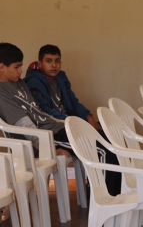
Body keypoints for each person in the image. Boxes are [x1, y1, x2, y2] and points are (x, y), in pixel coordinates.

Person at [0, 43, 121, 196]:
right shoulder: (2, 91)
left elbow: (40, 112)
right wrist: (49, 147)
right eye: (16, 67)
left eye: (21, 66)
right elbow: (25, 125)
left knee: (111, 141)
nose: (20, 71)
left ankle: (117, 197)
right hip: (47, 136)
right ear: (1, 67)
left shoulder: (19, 83)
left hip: (56, 128)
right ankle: (105, 201)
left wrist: (71, 123)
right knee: (104, 149)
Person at [24, 45, 102, 130]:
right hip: (53, 125)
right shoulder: (34, 81)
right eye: (49, 61)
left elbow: (73, 101)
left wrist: (89, 117)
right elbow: (42, 110)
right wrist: (73, 121)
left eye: (57, 61)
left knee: (104, 130)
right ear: (40, 64)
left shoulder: (61, 77)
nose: (54, 65)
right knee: (94, 138)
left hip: (68, 121)